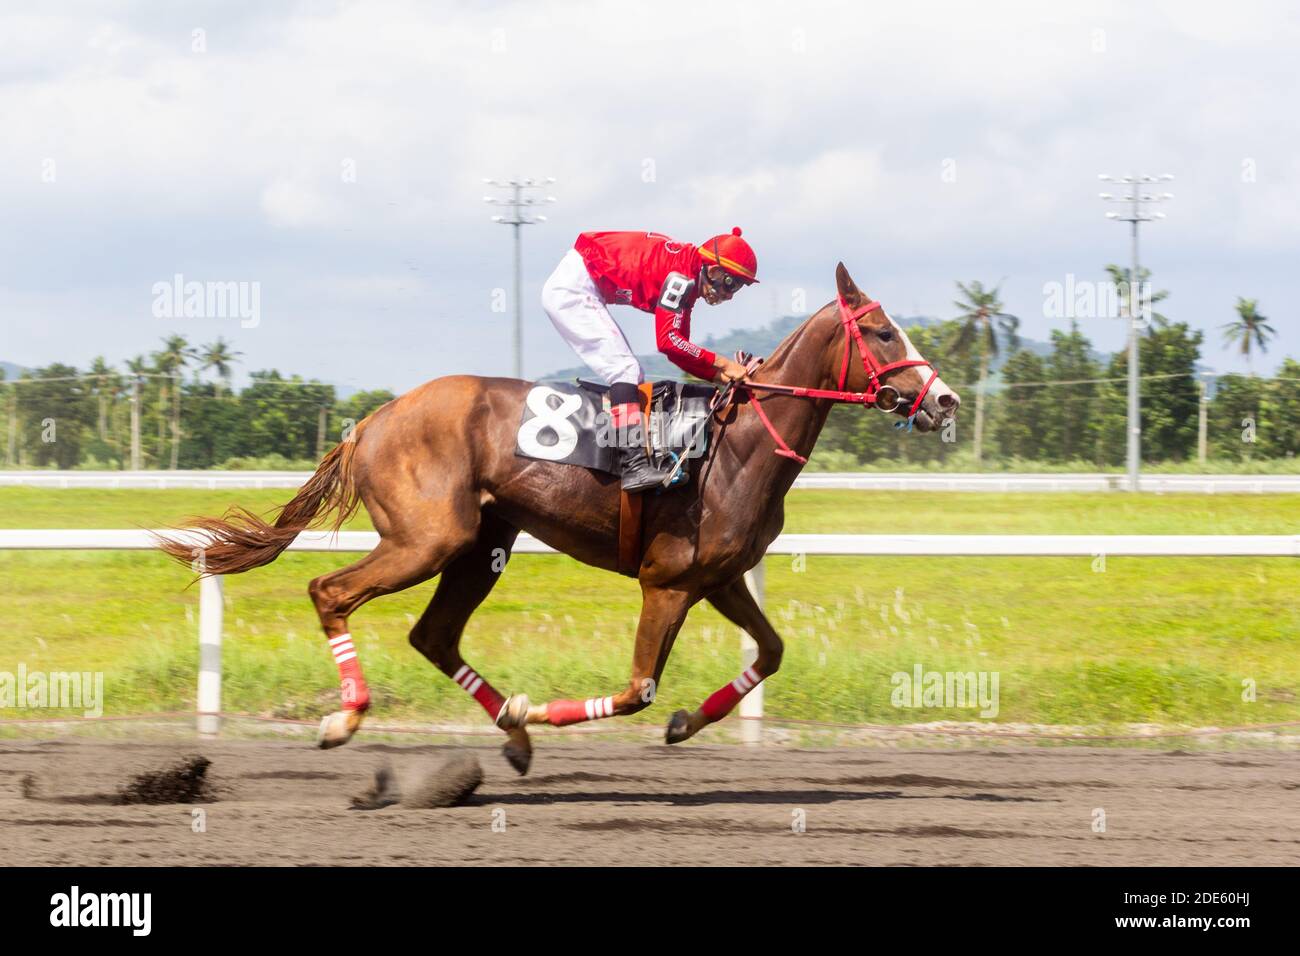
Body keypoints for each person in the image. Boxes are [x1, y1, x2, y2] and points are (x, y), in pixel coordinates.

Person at [541, 228, 758, 491]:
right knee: (626, 371)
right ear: (713, 271)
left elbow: (677, 351)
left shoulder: (687, 275)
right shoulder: (681, 279)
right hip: (573, 290)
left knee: (630, 371)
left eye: (738, 287)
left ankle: (634, 460)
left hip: (582, 281)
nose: (730, 295)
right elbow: (668, 341)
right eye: (731, 283)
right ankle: (633, 467)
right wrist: (724, 364)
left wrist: (722, 377)